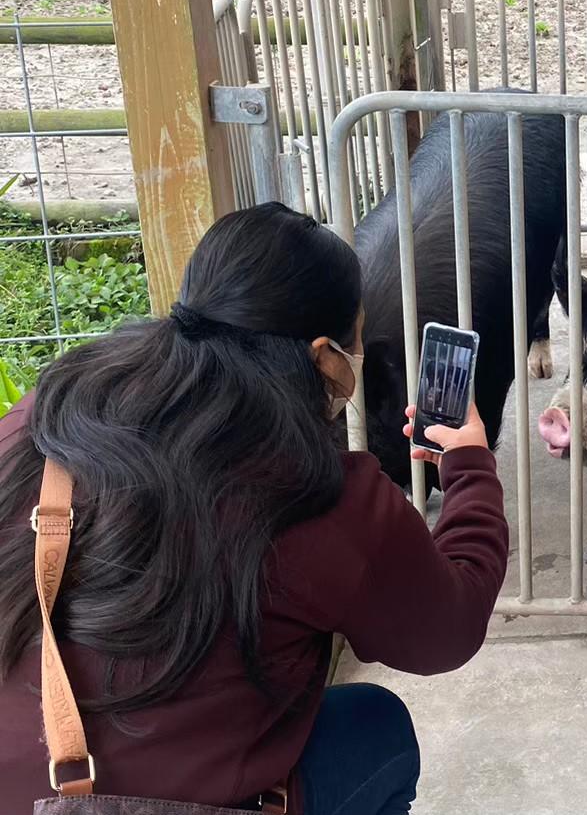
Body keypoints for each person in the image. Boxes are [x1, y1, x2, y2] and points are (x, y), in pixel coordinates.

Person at [0, 202, 509, 813]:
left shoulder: (45, 416)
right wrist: (471, 465)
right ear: (325, 357)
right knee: (374, 728)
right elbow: (444, 633)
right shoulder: (321, 496)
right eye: (357, 337)